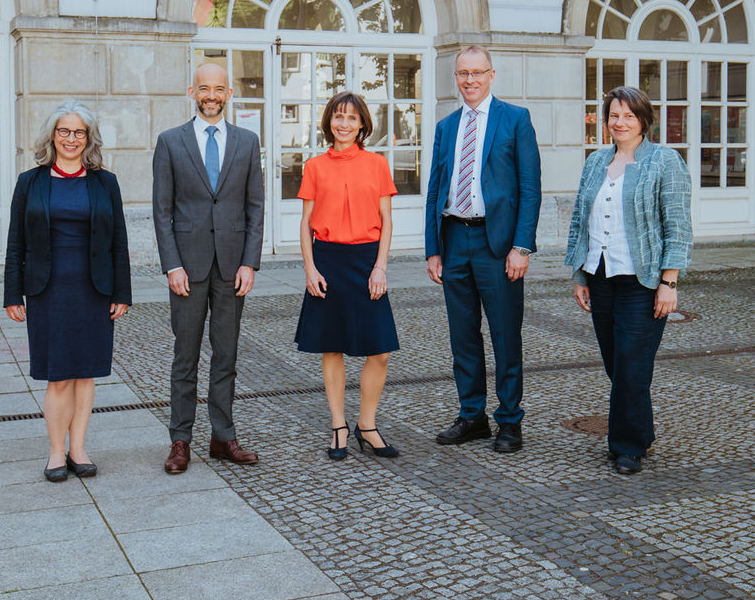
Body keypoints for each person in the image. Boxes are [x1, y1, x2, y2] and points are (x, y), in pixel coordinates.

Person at [564, 85, 692, 475]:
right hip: (601, 276)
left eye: (628, 116)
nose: (620, 123)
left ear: (643, 121)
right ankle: (640, 431)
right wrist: (580, 273)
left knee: (632, 365)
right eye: (613, 116)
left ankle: (628, 446)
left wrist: (669, 282)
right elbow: (578, 219)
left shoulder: (664, 161)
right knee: (616, 364)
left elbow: (678, 224)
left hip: (643, 280)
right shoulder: (596, 161)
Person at [4, 100, 130, 482]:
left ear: (88, 138)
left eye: (79, 132)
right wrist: (13, 294)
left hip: (94, 289)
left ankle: (79, 448)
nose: (71, 139)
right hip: (48, 290)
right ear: (52, 136)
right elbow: (15, 243)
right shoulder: (30, 182)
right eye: (64, 131)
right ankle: (56, 452)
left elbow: (119, 242)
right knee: (58, 375)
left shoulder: (105, 182)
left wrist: (121, 293)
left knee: (86, 374)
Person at [424, 45, 541, 454]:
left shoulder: (515, 120)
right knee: (463, 336)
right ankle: (472, 415)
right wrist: (432, 249)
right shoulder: (446, 126)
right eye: (462, 74)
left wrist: (522, 247)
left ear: (492, 74)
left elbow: (530, 188)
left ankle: (510, 421)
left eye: (476, 72)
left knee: (505, 336)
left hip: (498, 244)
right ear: (455, 78)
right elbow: (435, 190)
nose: (469, 80)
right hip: (455, 240)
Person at [152, 62, 265, 474]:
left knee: (227, 355)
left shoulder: (247, 142)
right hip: (187, 268)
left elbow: (255, 207)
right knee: (185, 357)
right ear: (192, 91)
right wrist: (172, 266)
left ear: (229, 93)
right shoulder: (170, 142)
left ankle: (223, 437)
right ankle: (180, 440)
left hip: (232, 267)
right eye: (204, 88)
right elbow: (161, 212)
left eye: (219, 88)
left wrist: (250, 262)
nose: (212, 95)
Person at [295, 92, 400, 460]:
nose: (344, 124)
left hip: (367, 261)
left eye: (351, 118)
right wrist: (310, 268)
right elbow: (306, 224)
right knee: (332, 345)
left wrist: (380, 267)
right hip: (328, 260)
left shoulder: (376, 165)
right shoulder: (315, 167)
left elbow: (387, 222)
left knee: (381, 350)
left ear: (362, 125)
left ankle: (366, 425)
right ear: (329, 123)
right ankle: (338, 425)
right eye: (338, 117)